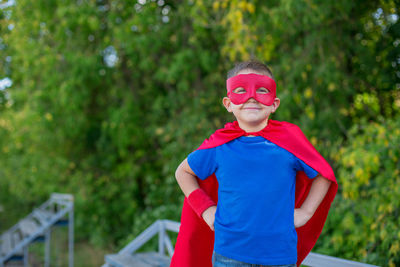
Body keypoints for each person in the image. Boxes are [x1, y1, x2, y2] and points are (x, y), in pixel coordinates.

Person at [171, 60, 338, 267]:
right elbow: (183, 172)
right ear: (228, 104)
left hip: (279, 256)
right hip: (229, 255)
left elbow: (324, 174)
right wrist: (206, 210)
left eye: (261, 90)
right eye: (241, 90)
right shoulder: (219, 145)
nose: (251, 97)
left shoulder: (289, 140)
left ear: (274, 104)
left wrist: (306, 212)